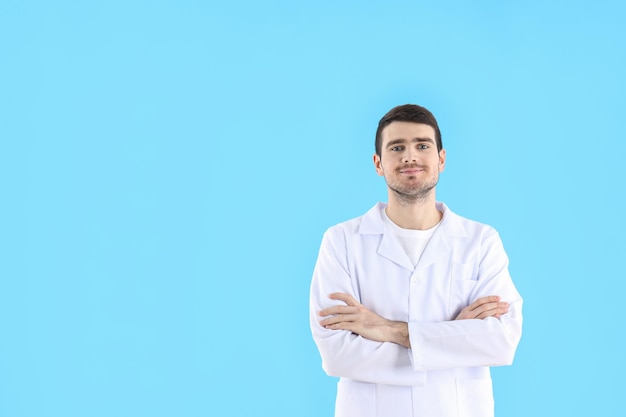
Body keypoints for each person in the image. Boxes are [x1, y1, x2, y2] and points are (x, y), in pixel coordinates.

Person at [309, 104, 523, 417]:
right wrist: (451, 339)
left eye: (422, 145)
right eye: (397, 147)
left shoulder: (480, 241)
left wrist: (389, 330)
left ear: (441, 159)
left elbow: (501, 341)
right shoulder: (341, 241)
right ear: (378, 164)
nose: (410, 156)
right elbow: (336, 352)